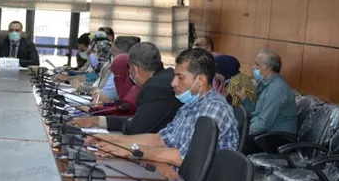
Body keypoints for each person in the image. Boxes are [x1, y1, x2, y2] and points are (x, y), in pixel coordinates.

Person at [88, 48, 238, 168]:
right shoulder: (190, 105)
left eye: (180, 77)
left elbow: (183, 157)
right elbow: (161, 139)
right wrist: (114, 139)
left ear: (200, 80)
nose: (173, 83)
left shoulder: (214, 109)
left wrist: (131, 150)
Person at [71, 42, 181, 135]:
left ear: (134, 69)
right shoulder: (166, 76)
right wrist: (97, 121)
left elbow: (135, 128)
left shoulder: (153, 87)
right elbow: (137, 119)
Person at [238, 49, 297, 153]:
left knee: (237, 141)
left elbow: (263, 123)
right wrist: (245, 98)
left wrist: (242, 131)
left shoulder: (277, 90)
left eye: (257, 64)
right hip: (266, 133)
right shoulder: (264, 84)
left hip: (278, 139)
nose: (253, 67)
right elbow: (255, 112)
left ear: (266, 68)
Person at [93, 36, 138, 103]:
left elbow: (102, 98)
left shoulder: (119, 71)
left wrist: (96, 92)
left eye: (112, 54)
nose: (110, 57)